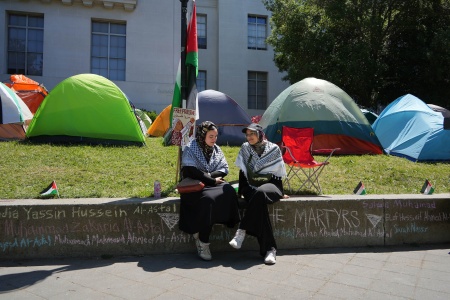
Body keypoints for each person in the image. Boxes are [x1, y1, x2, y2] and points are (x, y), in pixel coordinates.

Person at [179, 121, 241, 261]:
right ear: (202, 135)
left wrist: (210, 178)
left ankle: (222, 224)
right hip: (196, 186)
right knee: (208, 201)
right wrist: (210, 179)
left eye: (215, 136)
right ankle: (203, 241)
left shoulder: (216, 149)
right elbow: (191, 171)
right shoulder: (191, 148)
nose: (214, 139)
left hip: (211, 183)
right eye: (211, 136)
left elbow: (224, 168)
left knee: (229, 191)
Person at [229, 123, 288, 265]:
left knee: (260, 193)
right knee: (259, 204)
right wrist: (243, 190)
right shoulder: (245, 148)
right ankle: (270, 250)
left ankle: (242, 230)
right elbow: (243, 171)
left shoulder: (273, 149)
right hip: (250, 186)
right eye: (247, 134)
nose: (249, 137)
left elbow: (278, 174)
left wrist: (281, 193)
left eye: (252, 134)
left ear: (260, 134)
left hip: (272, 185)